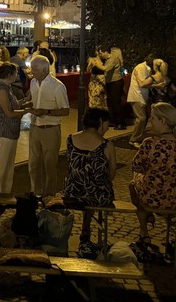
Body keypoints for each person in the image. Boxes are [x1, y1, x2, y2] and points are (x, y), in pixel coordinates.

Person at [129, 102, 176, 244]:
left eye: (153, 118)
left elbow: (136, 166)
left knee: (132, 184)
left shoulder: (150, 143)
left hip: (152, 198)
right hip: (175, 198)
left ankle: (144, 229)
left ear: (162, 121)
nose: (150, 121)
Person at [63, 108, 116, 251]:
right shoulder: (107, 145)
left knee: (86, 189)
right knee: (94, 190)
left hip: (72, 194)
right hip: (97, 196)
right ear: (100, 122)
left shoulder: (70, 139)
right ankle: (86, 230)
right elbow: (111, 173)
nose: (107, 128)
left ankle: (86, 228)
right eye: (107, 124)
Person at [26, 55, 70, 196]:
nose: (31, 72)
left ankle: (49, 195)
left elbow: (65, 110)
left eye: (34, 70)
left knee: (49, 165)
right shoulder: (33, 82)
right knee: (33, 164)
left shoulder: (57, 86)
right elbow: (32, 100)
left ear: (44, 71)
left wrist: (46, 112)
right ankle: (35, 192)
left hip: (50, 129)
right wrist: (28, 105)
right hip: (35, 127)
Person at [0, 63, 32, 193]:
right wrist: (29, 111)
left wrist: (26, 102)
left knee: (8, 166)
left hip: (11, 131)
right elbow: (9, 112)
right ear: (9, 75)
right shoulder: (1, 90)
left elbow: (14, 105)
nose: (17, 75)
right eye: (15, 73)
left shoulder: (8, 87)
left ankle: (4, 192)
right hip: (3, 131)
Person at [128, 54, 161, 147]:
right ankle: (133, 139)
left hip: (141, 96)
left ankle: (137, 137)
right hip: (137, 95)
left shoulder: (147, 69)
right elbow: (142, 84)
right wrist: (157, 85)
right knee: (141, 118)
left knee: (144, 118)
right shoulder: (141, 68)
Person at [98, 45, 125, 129]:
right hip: (111, 82)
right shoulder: (108, 59)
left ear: (106, 52)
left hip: (116, 82)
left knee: (116, 103)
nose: (100, 55)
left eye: (101, 53)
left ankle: (120, 123)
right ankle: (113, 121)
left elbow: (106, 69)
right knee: (110, 102)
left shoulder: (112, 59)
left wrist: (95, 63)